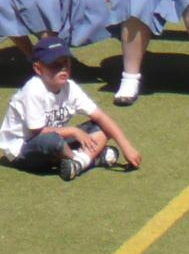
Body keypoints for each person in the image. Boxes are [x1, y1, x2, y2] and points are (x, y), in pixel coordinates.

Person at [2, 36, 139, 178]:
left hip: (58, 142)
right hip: (24, 150)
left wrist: (126, 147)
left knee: (102, 125)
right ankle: (87, 159)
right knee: (52, 141)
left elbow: (101, 116)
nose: (62, 68)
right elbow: (38, 132)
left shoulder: (70, 87)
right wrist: (73, 131)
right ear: (38, 68)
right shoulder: (33, 90)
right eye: (54, 64)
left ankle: (79, 162)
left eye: (66, 62)